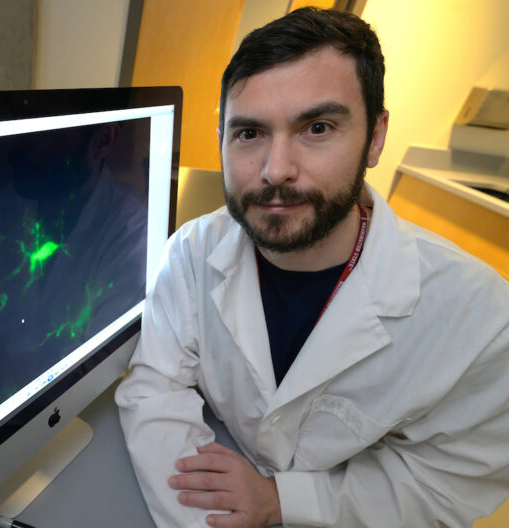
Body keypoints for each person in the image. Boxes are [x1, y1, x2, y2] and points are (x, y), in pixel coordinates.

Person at [115, 7, 509, 528]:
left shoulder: (480, 316)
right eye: (250, 134)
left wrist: (285, 501)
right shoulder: (191, 251)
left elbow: (448, 481)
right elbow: (154, 386)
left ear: (374, 136)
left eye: (317, 127)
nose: (276, 170)